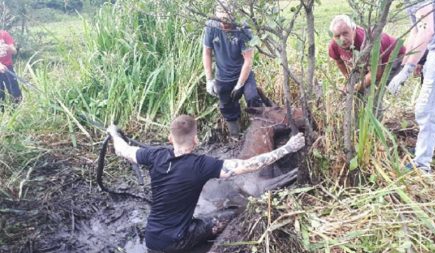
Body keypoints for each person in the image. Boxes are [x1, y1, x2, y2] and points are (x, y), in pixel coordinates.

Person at [106, 115, 304, 253]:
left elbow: (123, 150)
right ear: (196, 139)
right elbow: (248, 165)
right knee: (231, 215)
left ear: (170, 138)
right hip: (177, 242)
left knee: (195, 219)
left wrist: (114, 133)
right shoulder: (201, 165)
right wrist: (287, 148)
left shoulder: (154, 155)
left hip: (152, 238)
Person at [387, 0, 435, 172]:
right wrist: (404, 65)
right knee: (431, 106)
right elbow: (415, 33)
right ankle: (426, 149)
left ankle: (422, 165)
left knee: (428, 109)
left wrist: (408, 69)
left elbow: (426, 30)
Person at [203, 4, 263, 140]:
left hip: (243, 74)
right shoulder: (211, 26)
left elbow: (248, 61)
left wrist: (239, 84)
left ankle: (259, 131)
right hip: (222, 76)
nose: (224, 25)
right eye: (221, 21)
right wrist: (209, 80)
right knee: (226, 106)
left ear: (233, 16)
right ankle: (235, 136)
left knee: (252, 97)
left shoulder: (243, 29)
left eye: (227, 21)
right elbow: (207, 53)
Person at [328, 15, 406, 93]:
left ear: (354, 29)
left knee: (375, 92)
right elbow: (339, 62)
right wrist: (349, 81)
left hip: (394, 57)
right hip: (368, 64)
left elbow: (375, 73)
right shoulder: (334, 45)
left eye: (345, 33)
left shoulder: (367, 42)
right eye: (337, 36)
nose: (342, 39)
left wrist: (356, 88)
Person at [0, 30, 21, 103]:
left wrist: (9, 48)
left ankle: (18, 108)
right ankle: (2, 112)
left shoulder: (4, 34)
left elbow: (14, 51)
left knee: (14, 90)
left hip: (8, 67)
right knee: (0, 93)